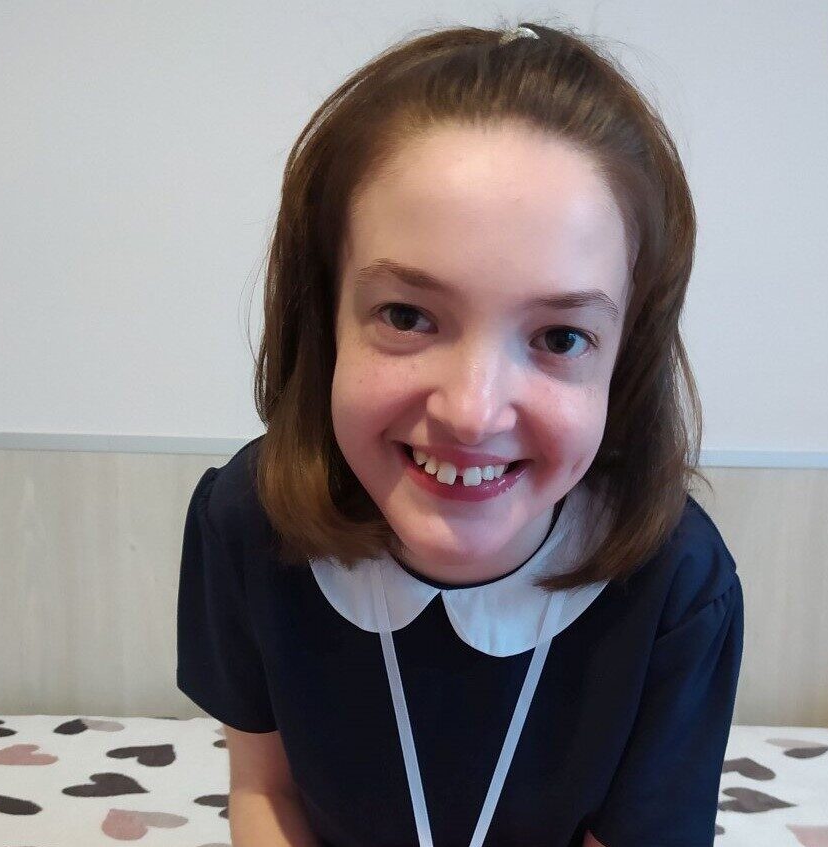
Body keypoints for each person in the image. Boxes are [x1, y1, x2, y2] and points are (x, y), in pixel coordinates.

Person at [177, 19, 744, 847]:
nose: (473, 411)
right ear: (323, 318)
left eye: (560, 337)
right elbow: (266, 789)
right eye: (407, 316)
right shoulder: (246, 520)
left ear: (627, 358)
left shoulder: (678, 583)